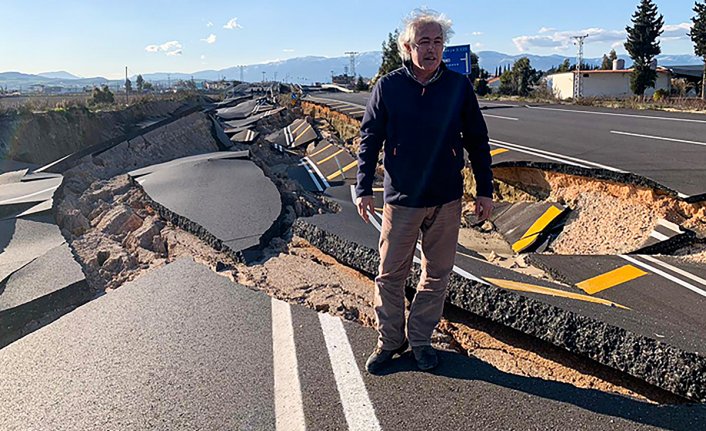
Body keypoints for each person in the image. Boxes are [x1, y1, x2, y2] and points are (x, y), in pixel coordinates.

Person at [355, 9, 494, 373]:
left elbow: (477, 140)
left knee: (437, 273)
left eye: (437, 42)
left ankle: (419, 340)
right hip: (402, 199)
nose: (431, 49)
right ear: (408, 46)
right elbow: (369, 139)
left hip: (447, 197)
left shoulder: (458, 86)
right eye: (423, 42)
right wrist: (362, 187)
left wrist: (485, 189)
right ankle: (390, 340)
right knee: (390, 273)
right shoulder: (388, 87)